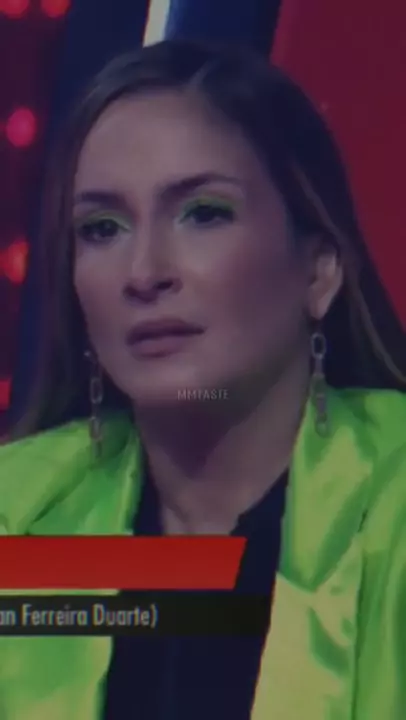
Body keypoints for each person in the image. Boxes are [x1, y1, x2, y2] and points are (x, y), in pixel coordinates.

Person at [1, 38, 406, 720]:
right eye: (102, 228)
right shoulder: (19, 520)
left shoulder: (392, 507)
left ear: (319, 269)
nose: (144, 272)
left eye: (203, 214)